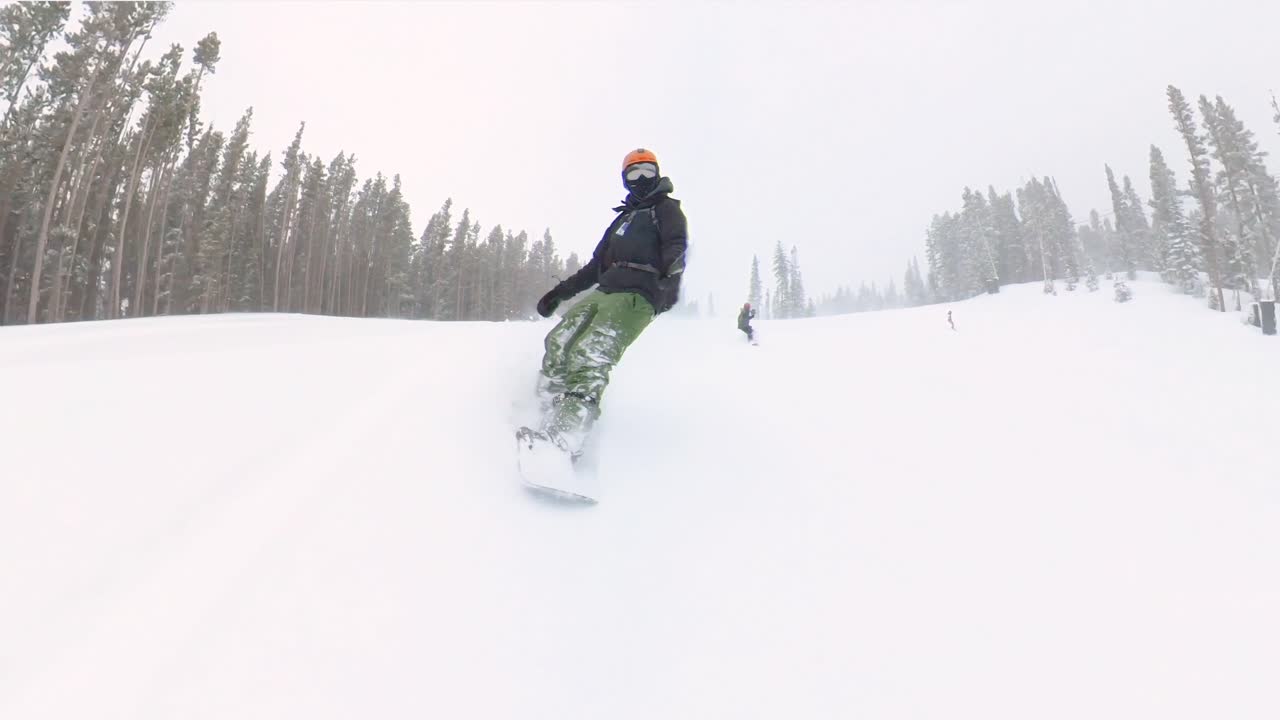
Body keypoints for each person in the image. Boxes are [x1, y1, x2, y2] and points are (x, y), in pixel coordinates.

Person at [531, 148, 688, 457]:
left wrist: (671, 279)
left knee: (590, 353)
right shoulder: (622, 220)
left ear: (657, 174)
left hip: (638, 294)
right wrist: (559, 293)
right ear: (625, 180)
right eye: (634, 173)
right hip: (605, 291)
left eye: (647, 171)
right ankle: (545, 410)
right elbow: (594, 267)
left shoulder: (666, 209)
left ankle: (567, 436)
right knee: (560, 342)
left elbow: (676, 245)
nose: (641, 178)